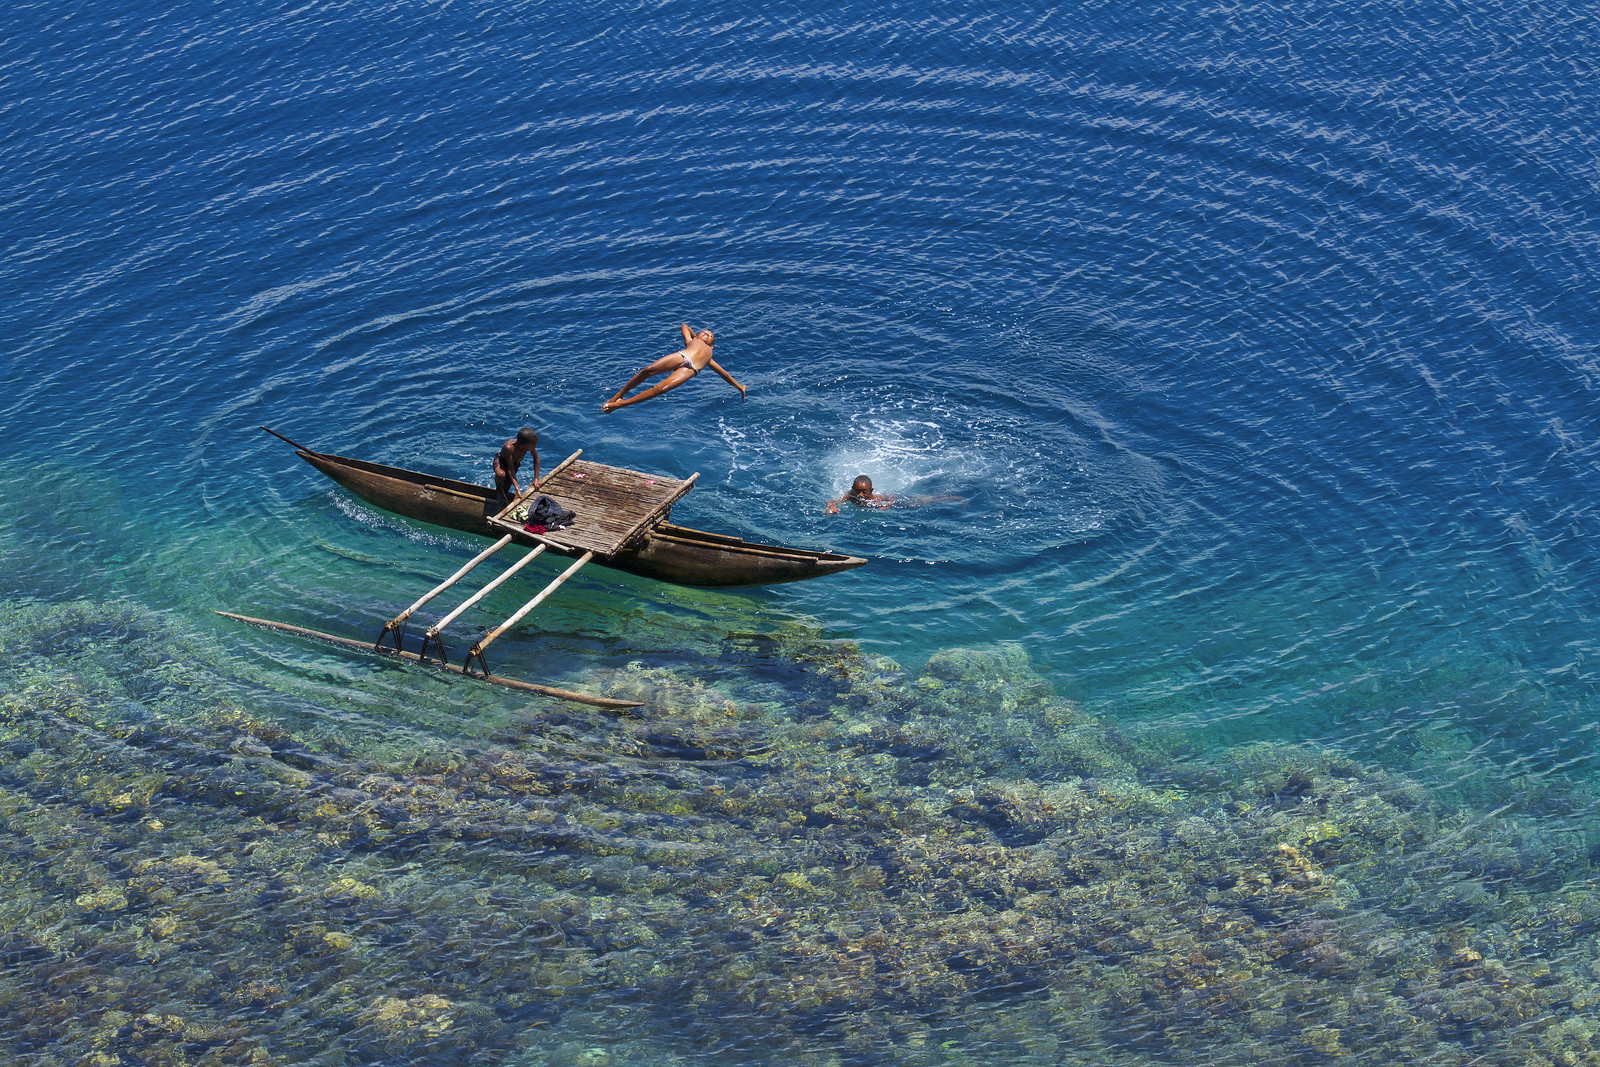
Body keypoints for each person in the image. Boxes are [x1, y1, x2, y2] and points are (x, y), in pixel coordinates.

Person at [601, 323, 745, 413]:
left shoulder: (710, 357)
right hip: (682, 356)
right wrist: (695, 338)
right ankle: (618, 395)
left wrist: (740, 387)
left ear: (712, 345)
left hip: (690, 369)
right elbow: (684, 326)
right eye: (704, 332)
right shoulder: (692, 341)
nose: (707, 333)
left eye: (710, 336)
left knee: (660, 389)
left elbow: (725, 375)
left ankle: (620, 405)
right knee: (648, 370)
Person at [825, 474, 964, 514]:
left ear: (871, 491)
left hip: (896, 500)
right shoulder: (850, 495)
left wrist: (889, 505)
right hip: (887, 503)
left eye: (864, 491)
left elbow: (891, 498)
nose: (860, 494)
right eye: (857, 491)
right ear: (852, 488)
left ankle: (951, 496)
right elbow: (833, 501)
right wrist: (832, 506)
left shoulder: (876, 498)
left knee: (921, 502)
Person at [492, 427, 541, 506]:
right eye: (533, 445)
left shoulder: (529, 446)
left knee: (506, 486)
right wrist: (517, 488)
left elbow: (536, 458)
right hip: (502, 462)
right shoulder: (509, 448)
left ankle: (504, 495)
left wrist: (536, 478)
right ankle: (499, 491)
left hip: (514, 464)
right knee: (501, 474)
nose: (534, 447)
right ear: (523, 445)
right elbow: (509, 468)